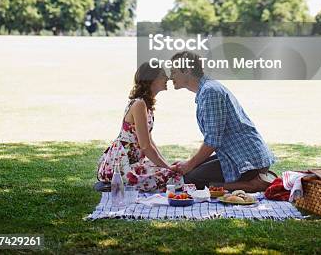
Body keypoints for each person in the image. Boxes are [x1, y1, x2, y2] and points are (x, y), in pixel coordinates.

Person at [170, 51, 276, 192]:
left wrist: (189, 164)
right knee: (188, 175)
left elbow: (213, 141)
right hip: (235, 156)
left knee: (190, 181)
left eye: (174, 72)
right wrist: (189, 164)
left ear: (187, 71)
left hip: (247, 161)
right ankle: (259, 177)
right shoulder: (206, 90)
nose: (171, 77)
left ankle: (253, 184)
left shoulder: (210, 92)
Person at [95, 62, 182, 192]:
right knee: (172, 177)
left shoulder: (146, 105)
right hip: (121, 165)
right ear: (152, 79)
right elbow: (145, 146)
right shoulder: (139, 104)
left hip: (133, 163)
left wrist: (167, 165)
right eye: (163, 75)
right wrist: (168, 168)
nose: (167, 79)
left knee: (171, 174)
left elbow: (149, 141)